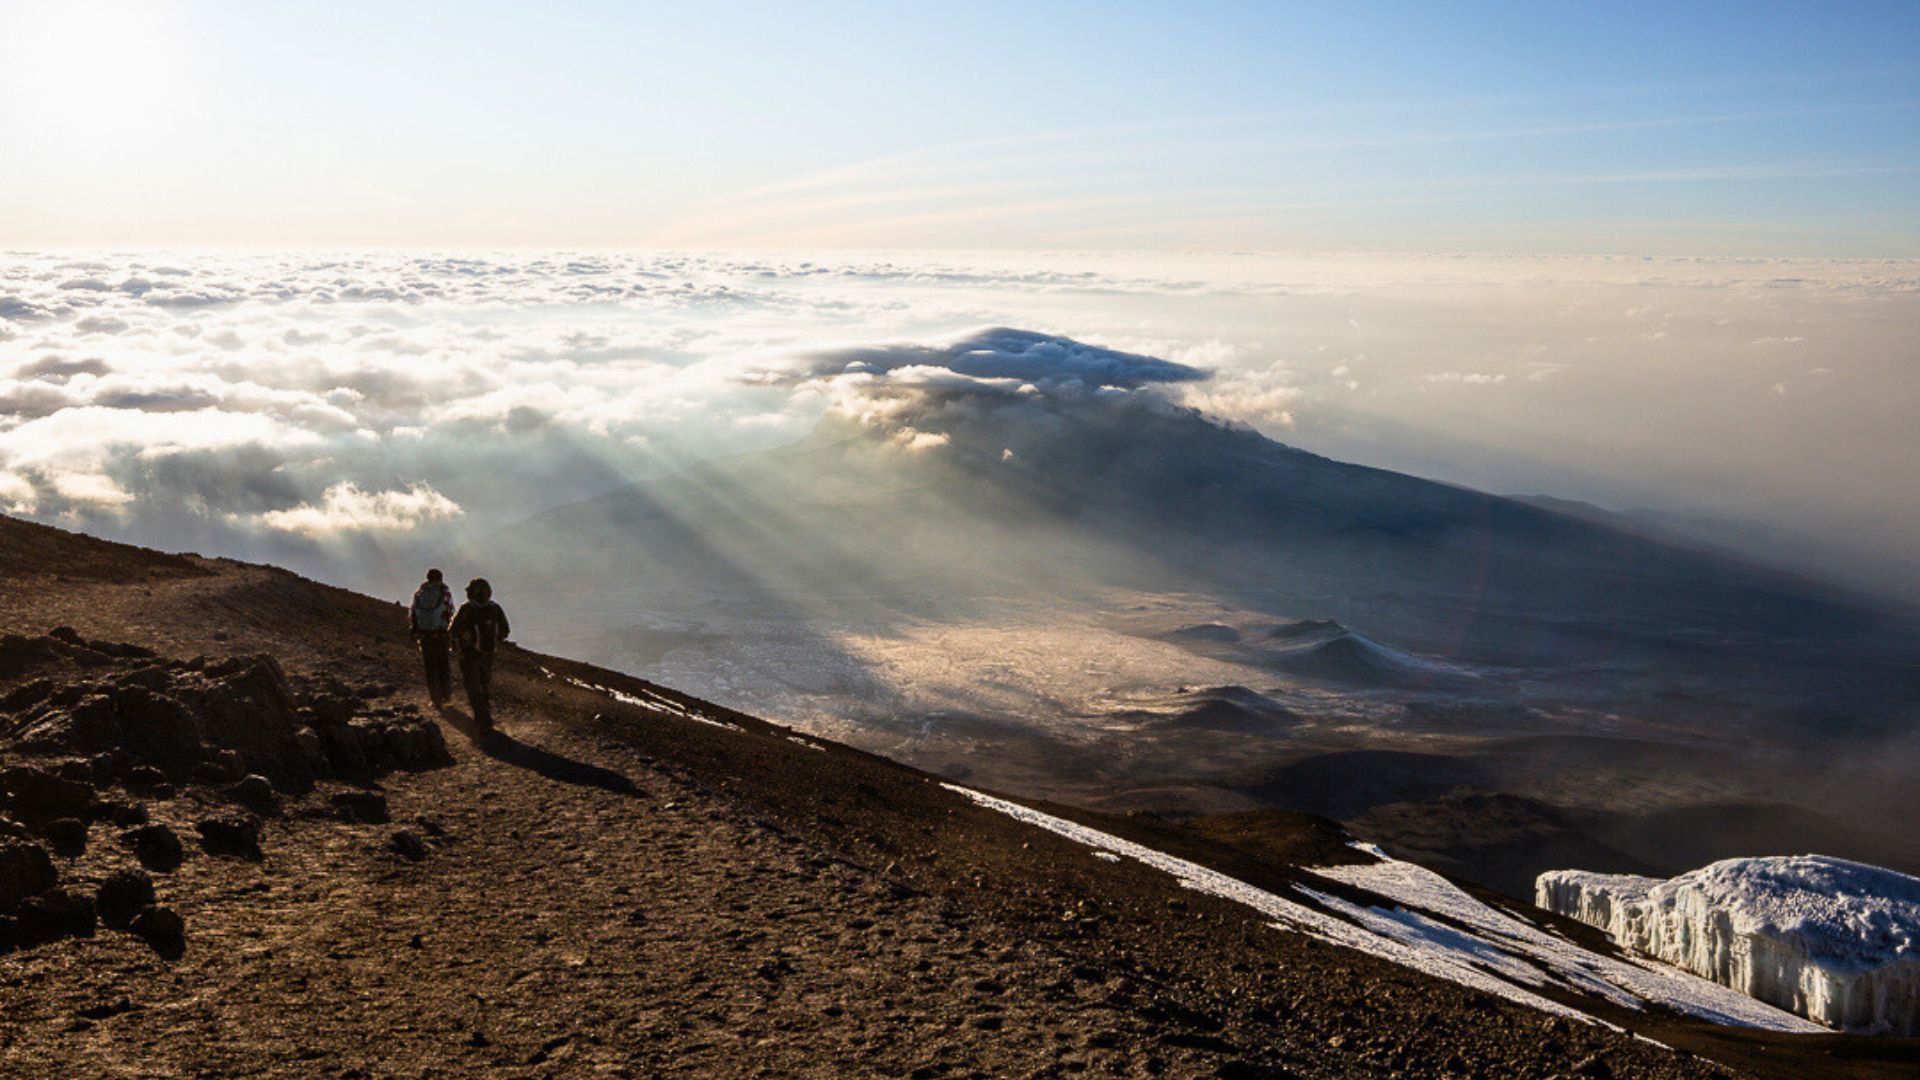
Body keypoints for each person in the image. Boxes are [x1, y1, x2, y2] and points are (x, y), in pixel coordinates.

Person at [449, 576, 510, 729]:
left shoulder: (467, 608)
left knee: (473, 686)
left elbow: (453, 631)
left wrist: (464, 639)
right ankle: (486, 717)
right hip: (488, 653)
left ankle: (481, 719)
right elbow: (505, 631)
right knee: (484, 685)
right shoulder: (495, 608)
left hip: (469, 654)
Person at [408, 568, 454, 706]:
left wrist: (415, 630)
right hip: (441, 634)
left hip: (424, 635)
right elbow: (450, 610)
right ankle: (446, 695)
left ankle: (435, 698)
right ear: (440, 578)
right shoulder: (444, 592)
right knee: (443, 664)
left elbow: (412, 614)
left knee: (430, 666)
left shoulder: (419, 593)